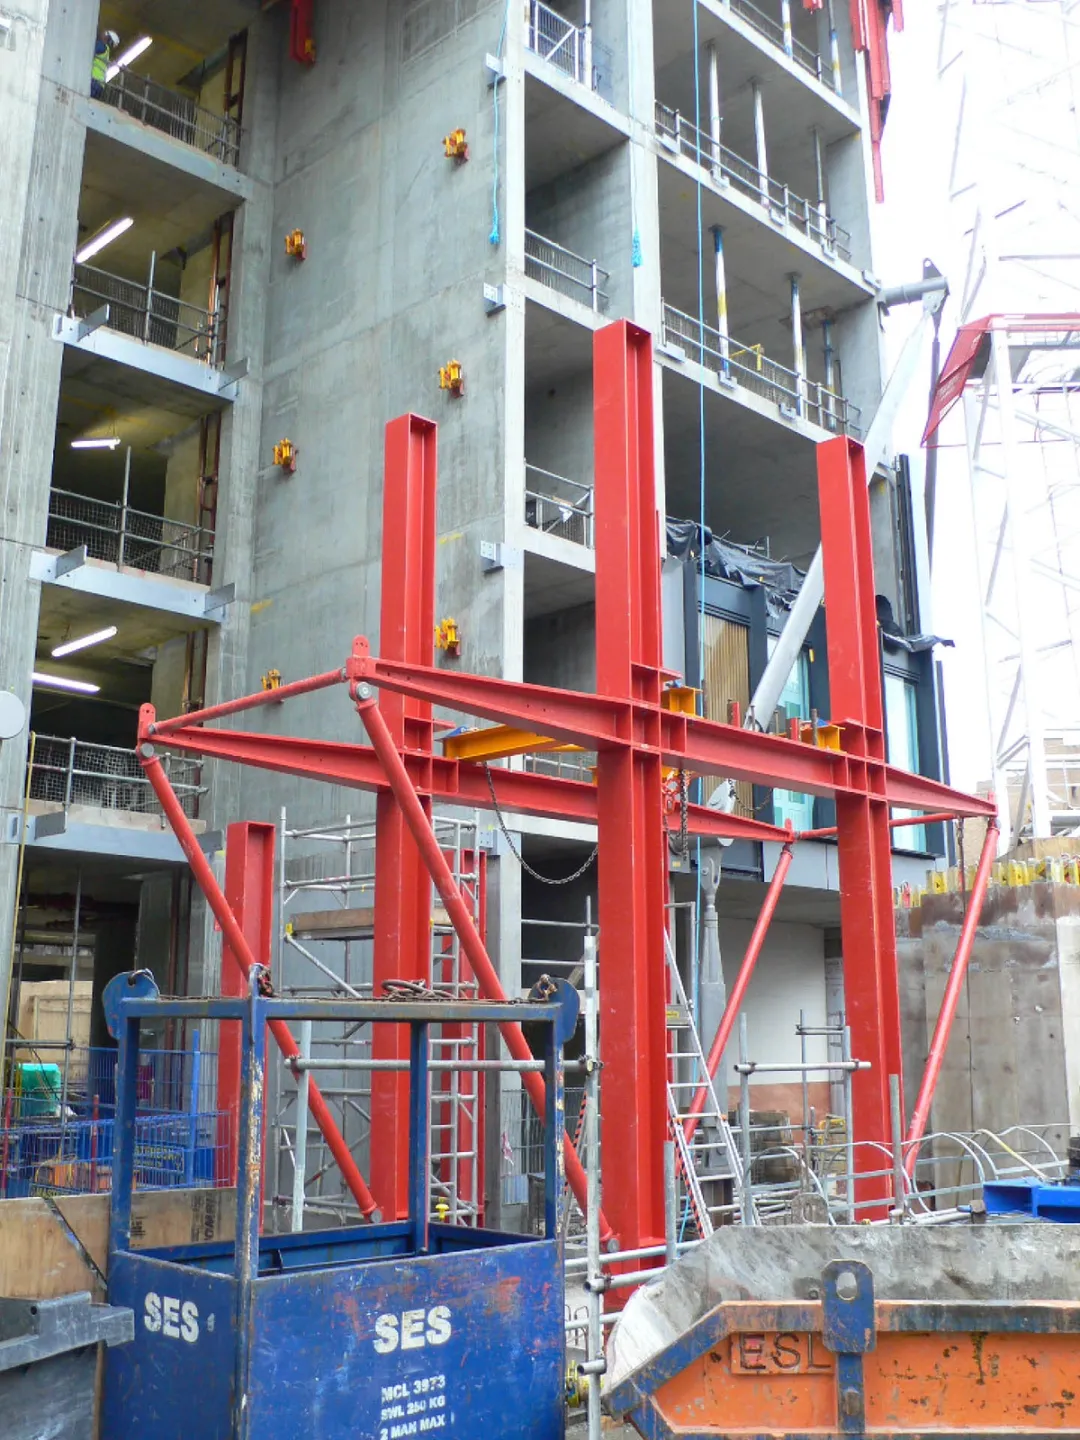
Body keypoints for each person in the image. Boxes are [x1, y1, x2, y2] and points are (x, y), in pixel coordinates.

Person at [91, 29, 119, 99]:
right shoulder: (106, 52)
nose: (102, 34)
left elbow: (89, 52)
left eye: (105, 34)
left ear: (108, 38)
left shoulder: (102, 46)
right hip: (100, 85)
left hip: (93, 81)